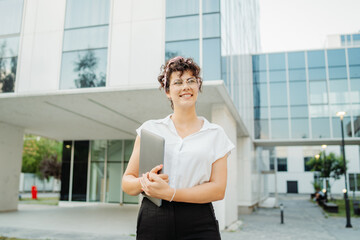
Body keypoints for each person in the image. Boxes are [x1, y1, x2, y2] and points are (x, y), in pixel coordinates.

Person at [122, 56, 235, 240]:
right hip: (155, 216)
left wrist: (171, 193)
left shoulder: (216, 134)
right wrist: (145, 182)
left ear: (198, 86)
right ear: (167, 91)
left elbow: (218, 189)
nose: (186, 87)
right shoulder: (149, 129)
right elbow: (127, 182)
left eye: (191, 80)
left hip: (199, 219)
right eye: (178, 82)